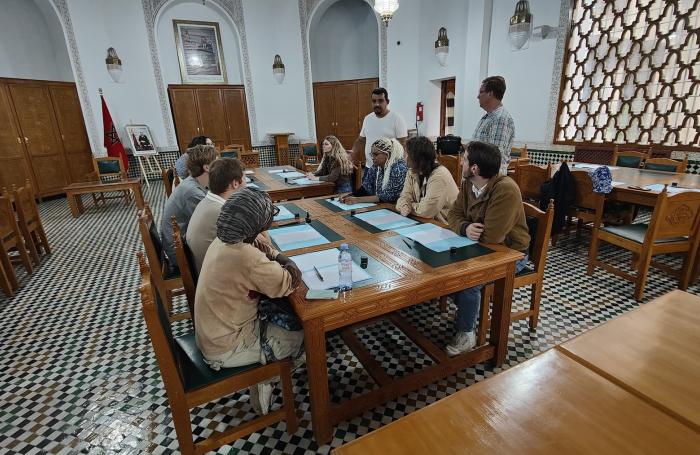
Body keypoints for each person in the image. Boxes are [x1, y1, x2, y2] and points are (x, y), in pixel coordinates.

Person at [195, 187, 304, 415]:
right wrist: (282, 257)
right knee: (305, 335)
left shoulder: (222, 241)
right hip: (226, 347)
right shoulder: (247, 257)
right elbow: (290, 280)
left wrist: (270, 253)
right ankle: (268, 377)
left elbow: (261, 253)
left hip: (213, 334)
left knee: (279, 313)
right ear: (257, 227)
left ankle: (266, 369)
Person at [445, 141, 530, 355]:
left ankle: (467, 333)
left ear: (474, 168)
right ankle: (468, 310)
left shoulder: (505, 189)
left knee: (469, 280)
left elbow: (493, 236)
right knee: (444, 268)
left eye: (464, 159)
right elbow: (453, 215)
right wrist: (464, 227)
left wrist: (467, 229)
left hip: (510, 253)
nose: (461, 162)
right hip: (475, 246)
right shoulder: (467, 183)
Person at [161, 144, 217, 269]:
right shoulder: (192, 192)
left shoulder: (194, 182)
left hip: (181, 244)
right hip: (181, 254)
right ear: (207, 167)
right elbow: (213, 222)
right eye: (216, 161)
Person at [186, 157, 246, 272]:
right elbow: (263, 243)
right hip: (218, 277)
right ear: (235, 183)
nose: (246, 183)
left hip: (205, 269)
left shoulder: (207, 201)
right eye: (245, 178)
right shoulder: (224, 212)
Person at [396, 136, 458, 223]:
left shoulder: (439, 175)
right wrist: (404, 205)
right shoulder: (412, 171)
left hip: (445, 224)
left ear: (417, 158)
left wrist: (409, 206)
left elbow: (426, 211)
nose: (404, 158)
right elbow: (404, 197)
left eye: (407, 154)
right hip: (424, 220)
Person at [352, 87, 407, 168]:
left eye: (380, 101)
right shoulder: (367, 119)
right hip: (369, 167)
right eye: (374, 101)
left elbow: (403, 144)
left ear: (387, 102)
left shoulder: (397, 119)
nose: (377, 104)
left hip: (389, 168)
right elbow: (361, 140)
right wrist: (352, 152)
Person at [341, 138, 408, 205]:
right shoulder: (376, 167)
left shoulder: (399, 169)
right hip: (379, 205)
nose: (372, 157)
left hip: (396, 208)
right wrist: (351, 195)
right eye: (372, 154)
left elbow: (388, 197)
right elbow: (366, 187)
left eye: (376, 154)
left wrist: (357, 199)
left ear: (388, 154)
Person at [472, 76, 515, 175]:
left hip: (488, 180)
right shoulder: (488, 116)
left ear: (490, 93)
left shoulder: (500, 118)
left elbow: (493, 158)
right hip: (480, 178)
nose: (478, 96)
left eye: (481, 92)